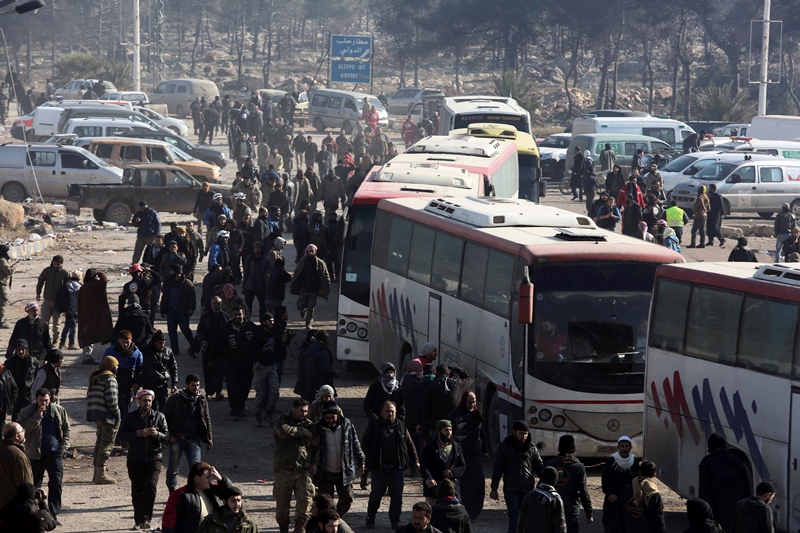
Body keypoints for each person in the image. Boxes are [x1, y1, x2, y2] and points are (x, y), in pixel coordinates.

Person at [362, 401, 419, 530]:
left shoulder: (401, 426)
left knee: (397, 497)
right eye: (387, 411)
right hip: (379, 469)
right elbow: (364, 444)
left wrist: (415, 460)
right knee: (376, 495)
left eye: (392, 411)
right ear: (381, 413)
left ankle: (395, 522)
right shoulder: (374, 426)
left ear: (396, 412)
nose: (390, 414)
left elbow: (410, 444)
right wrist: (369, 460)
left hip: (396, 469)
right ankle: (370, 518)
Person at [118, 389, 170, 531]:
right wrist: (139, 433)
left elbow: (166, 437)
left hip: (154, 458)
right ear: (138, 401)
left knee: (151, 486)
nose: (147, 403)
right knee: (137, 489)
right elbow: (121, 436)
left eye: (149, 400)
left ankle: (146, 519)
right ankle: (138, 519)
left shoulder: (159, 417)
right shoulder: (130, 417)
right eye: (144, 400)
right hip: (135, 458)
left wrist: (156, 434)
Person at [17, 388, 69, 525]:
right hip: (35, 455)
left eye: (46, 400)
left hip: (55, 453)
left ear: (50, 399)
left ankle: (54, 514)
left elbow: (66, 428)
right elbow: (22, 430)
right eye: (41, 400)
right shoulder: (27, 412)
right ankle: (35, 514)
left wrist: (63, 447)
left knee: (56, 482)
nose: (44, 403)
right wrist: (37, 416)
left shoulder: (58, 411)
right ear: (36, 399)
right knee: (34, 486)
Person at [490, 420, 545, 533]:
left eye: (526, 433)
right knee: (514, 519)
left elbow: (539, 467)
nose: (524, 436)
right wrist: (494, 488)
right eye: (521, 433)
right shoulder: (505, 447)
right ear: (514, 432)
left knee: (527, 519)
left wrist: (546, 482)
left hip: (528, 489)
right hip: (511, 489)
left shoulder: (531, 448)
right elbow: (498, 469)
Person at [162, 373, 213, 493]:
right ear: (187, 385)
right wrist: (170, 436)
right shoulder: (176, 399)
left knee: (197, 469)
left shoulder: (201, 399)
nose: (196, 388)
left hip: (194, 439)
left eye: (197, 385)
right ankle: (172, 491)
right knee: (173, 468)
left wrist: (209, 437)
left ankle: (193, 492)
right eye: (193, 385)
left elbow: (206, 418)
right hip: (177, 439)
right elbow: (164, 418)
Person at [312, 401, 364, 518]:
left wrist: (361, 460)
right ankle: (327, 522)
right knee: (324, 502)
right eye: (327, 418)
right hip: (325, 472)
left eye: (332, 417)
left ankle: (335, 518)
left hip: (344, 471)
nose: (330, 420)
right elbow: (314, 450)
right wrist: (314, 464)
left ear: (337, 415)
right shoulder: (318, 428)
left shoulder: (347, 425)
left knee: (347, 499)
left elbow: (355, 443)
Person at [274, 398, 316, 533]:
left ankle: (299, 529)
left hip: (303, 470)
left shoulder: (309, 425)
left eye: (305, 411)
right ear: (293, 409)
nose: (303, 414)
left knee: (305, 502)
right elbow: (283, 431)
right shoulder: (283, 421)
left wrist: (314, 463)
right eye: (301, 411)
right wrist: (302, 432)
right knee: (282, 504)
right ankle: (283, 529)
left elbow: (315, 446)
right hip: (283, 469)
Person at [698, 432, 751, 531]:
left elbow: (704, 490)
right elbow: (746, 486)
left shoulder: (707, 462)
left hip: (716, 512)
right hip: (735, 511)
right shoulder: (737, 461)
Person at [447, 390, 487, 519]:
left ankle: (475, 511)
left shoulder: (476, 415)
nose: (472, 404)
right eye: (470, 402)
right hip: (462, 456)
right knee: (465, 485)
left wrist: (485, 450)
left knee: (478, 484)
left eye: (474, 402)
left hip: (476, 455)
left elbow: (482, 434)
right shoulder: (455, 415)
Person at [161, 462, 231, 533]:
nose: (210, 480)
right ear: (197, 478)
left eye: (210, 477)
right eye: (207, 477)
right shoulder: (180, 495)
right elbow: (168, 522)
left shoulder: (212, 490)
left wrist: (221, 479)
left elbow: (231, 492)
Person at [544, 435, 592, 533]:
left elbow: (543, 488)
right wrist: (589, 512)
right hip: (571, 509)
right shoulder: (578, 467)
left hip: (552, 508)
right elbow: (583, 491)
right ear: (573, 448)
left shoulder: (549, 464)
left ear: (559, 447)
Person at [86, 356, 120, 484]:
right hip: (107, 416)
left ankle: (97, 473)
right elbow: (112, 401)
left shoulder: (96, 378)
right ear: (112, 367)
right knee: (106, 443)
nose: (118, 368)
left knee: (99, 442)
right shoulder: (110, 379)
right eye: (116, 365)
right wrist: (117, 413)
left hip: (97, 415)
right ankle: (100, 474)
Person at [420, 365, 472, 438]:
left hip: (437, 426)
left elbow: (425, 411)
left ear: (435, 374)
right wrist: (456, 369)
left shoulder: (430, 388)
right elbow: (469, 379)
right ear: (448, 374)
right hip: (453, 426)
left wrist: (425, 432)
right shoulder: (456, 384)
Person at [420, 420, 466, 504]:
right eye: (446, 430)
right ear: (439, 432)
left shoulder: (456, 447)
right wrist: (428, 478)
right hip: (434, 489)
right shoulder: (430, 447)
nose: (449, 433)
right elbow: (424, 465)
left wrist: (452, 472)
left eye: (450, 430)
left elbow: (462, 465)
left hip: (452, 489)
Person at [601, 436, 639, 533]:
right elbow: (606, 479)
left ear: (630, 448)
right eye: (622, 446)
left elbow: (636, 479)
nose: (624, 449)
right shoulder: (612, 460)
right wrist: (609, 493)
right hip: (613, 498)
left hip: (627, 498)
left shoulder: (634, 460)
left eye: (626, 446)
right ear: (618, 447)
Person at [290, 244, 331, 329]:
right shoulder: (302, 261)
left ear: (315, 252)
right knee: (301, 305)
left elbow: (326, 275)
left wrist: (327, 285)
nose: (311, 253)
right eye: (309, 251)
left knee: (311, 306)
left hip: (313, 289)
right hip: (303, 288)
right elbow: (297, 272)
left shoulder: (320, 263)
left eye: (312, 251)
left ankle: (308, 322)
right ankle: (303, 310)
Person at [517, 466, 566, 533]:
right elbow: (560, 526)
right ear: (555, 480)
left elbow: (521, 522)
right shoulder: (554, 498)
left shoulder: (529, 496)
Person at [160, 264, 196, 356]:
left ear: (177, 272)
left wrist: (191, 308)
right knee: (172, 332)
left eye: (171, 271)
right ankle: (175, 351)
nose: (169, 272)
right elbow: (165, 297)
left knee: (185, 330)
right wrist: (163, 310)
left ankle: (194, 347)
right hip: (171, 310)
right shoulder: (168, 282)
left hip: (182, 311)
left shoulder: (187, 283)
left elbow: (192, 297)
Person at [622, 460, 665, 533]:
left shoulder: (627, 489)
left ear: (639, 472)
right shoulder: (653, 493)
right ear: (654, 475)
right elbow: (658, 518)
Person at [140, 330, 179, 411]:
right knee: (149, 408)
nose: (162, 345)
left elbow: (173, 367)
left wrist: (174, 382)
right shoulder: (147, 351)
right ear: (154, 342)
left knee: (165, 408)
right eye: (160, 343)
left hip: (162, 384)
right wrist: (150, 333)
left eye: (164, 343)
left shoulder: (168, 351)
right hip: (149, 384)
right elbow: (141, 343)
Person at [35, 255, 69, 345]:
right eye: (55, 263)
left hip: (58, 302)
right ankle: (43, 340)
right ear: (52, 262)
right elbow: (40, 281)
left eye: (59, 264)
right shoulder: (47, 271)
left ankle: (55, 340)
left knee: (56, 324)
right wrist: (38, 293)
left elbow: (68, 287)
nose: (57, 265)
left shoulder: (65, 273)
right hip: (47, 300)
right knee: (43, 322)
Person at [0, 422, 33, 510]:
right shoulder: (18, 456)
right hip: (13, 508)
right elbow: (26, 486)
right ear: (17, 436)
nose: (24, 431)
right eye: (22, 430)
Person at [6, 339, 40, 420]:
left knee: (29, 417)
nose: (20, 352)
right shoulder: (10, 363)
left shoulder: (34, 362)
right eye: (18, 349)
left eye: (22, 349)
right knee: (15, 418)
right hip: (15, 395)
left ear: (26, 350)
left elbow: (37, 379)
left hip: (28, 394)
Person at [0, 243, 17, 329]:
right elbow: (8, 271)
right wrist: (15, 267)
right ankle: (1, 322)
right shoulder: (2, 260)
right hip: (1, 284)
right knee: (2, 303)